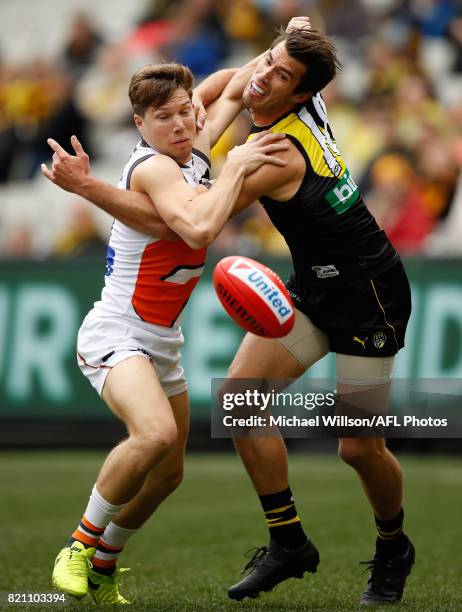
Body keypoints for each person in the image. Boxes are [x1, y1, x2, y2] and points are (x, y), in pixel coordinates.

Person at [43, 18, 415, 607]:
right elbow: (233, 86)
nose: (262, 76)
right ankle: (288, 541)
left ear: (303, 95)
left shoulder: (274, 154)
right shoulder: (275, 92)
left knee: (357, 446)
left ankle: (394, 545)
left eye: (281, 74)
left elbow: (192, 222)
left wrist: (231, 160)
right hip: (310, 288)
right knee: (241, 402)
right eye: (267, 60)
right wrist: (292, 34)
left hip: (369, 295)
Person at [42, 61, 288, 605]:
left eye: (184, 112)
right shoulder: (154, 168)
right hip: (116, 332)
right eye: (164, 117)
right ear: (139, 124)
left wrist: (275, 54)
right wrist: (237, 166)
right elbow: (199, 226)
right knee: (152, 436)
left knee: (169, 473)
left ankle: (104, 564)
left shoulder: (192, 143)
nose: (180, 124)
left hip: (161, 343)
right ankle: (79, 546)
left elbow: (226, 82)